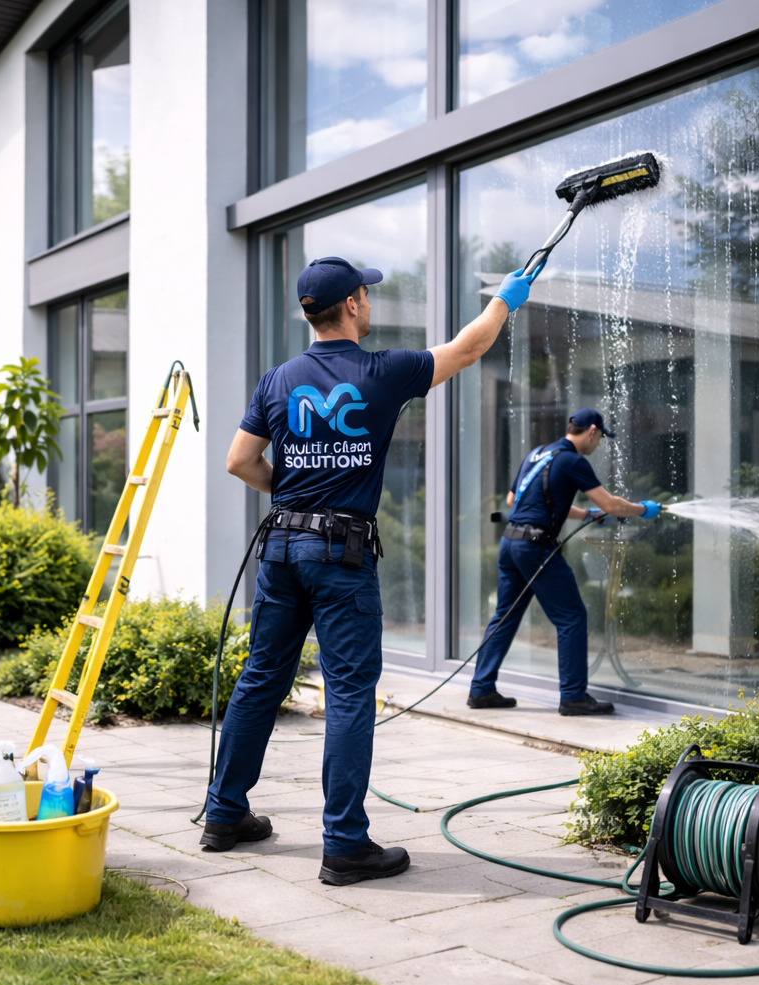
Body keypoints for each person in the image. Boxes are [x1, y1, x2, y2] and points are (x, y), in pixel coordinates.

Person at [201, 254, 544, 885]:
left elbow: (238, 461)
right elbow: (469, 349)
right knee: (350, 692)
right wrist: (508, 299)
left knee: (260, 679)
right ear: (354, 304)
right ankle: (346, 845)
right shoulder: (383, 371)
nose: (370, 302)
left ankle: (224, 814)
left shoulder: (277, 380)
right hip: (341, 555)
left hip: (280, 548)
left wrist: (295, 495)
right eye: (368, 294)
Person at [466, 411, 661, 717]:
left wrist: (585, 516)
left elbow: (512, 500)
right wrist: (642, 509)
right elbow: (610, 504)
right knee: (571, 616)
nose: (598, 445)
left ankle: (481, 689)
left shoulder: (537, 454)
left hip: (510, 544)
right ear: (592, 431)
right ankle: (573, 697)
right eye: (600, 439)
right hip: (535, 547)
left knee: (504, 615)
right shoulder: (573, 461)